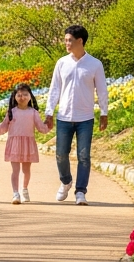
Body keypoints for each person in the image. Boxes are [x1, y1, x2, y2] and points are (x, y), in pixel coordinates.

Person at [44, 24, 108, 206]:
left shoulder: (95, 64)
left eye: (69, 40)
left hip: (85, 118)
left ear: (80, 41)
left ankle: (80, 191)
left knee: (84, 155)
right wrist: (49, 112)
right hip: (63, 116)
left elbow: (102, 90)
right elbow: (54, 88)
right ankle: (65, 181)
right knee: (60, 154)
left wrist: (104, 113)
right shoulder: (61, 63)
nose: (67, 43)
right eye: (65, 40)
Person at [0, 82, 49, 204]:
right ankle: (15, 193)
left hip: (28, 144)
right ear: (14, 97)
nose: (22, 97)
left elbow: (41, 127)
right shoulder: (11, 112)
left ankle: (24, 189)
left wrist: (48, 126)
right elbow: (3, 127)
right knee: (15, 170)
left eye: (25, 94)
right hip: (15, 145)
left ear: (30, 96)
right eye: (19, 95)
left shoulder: (33, 112)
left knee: (26, 170)